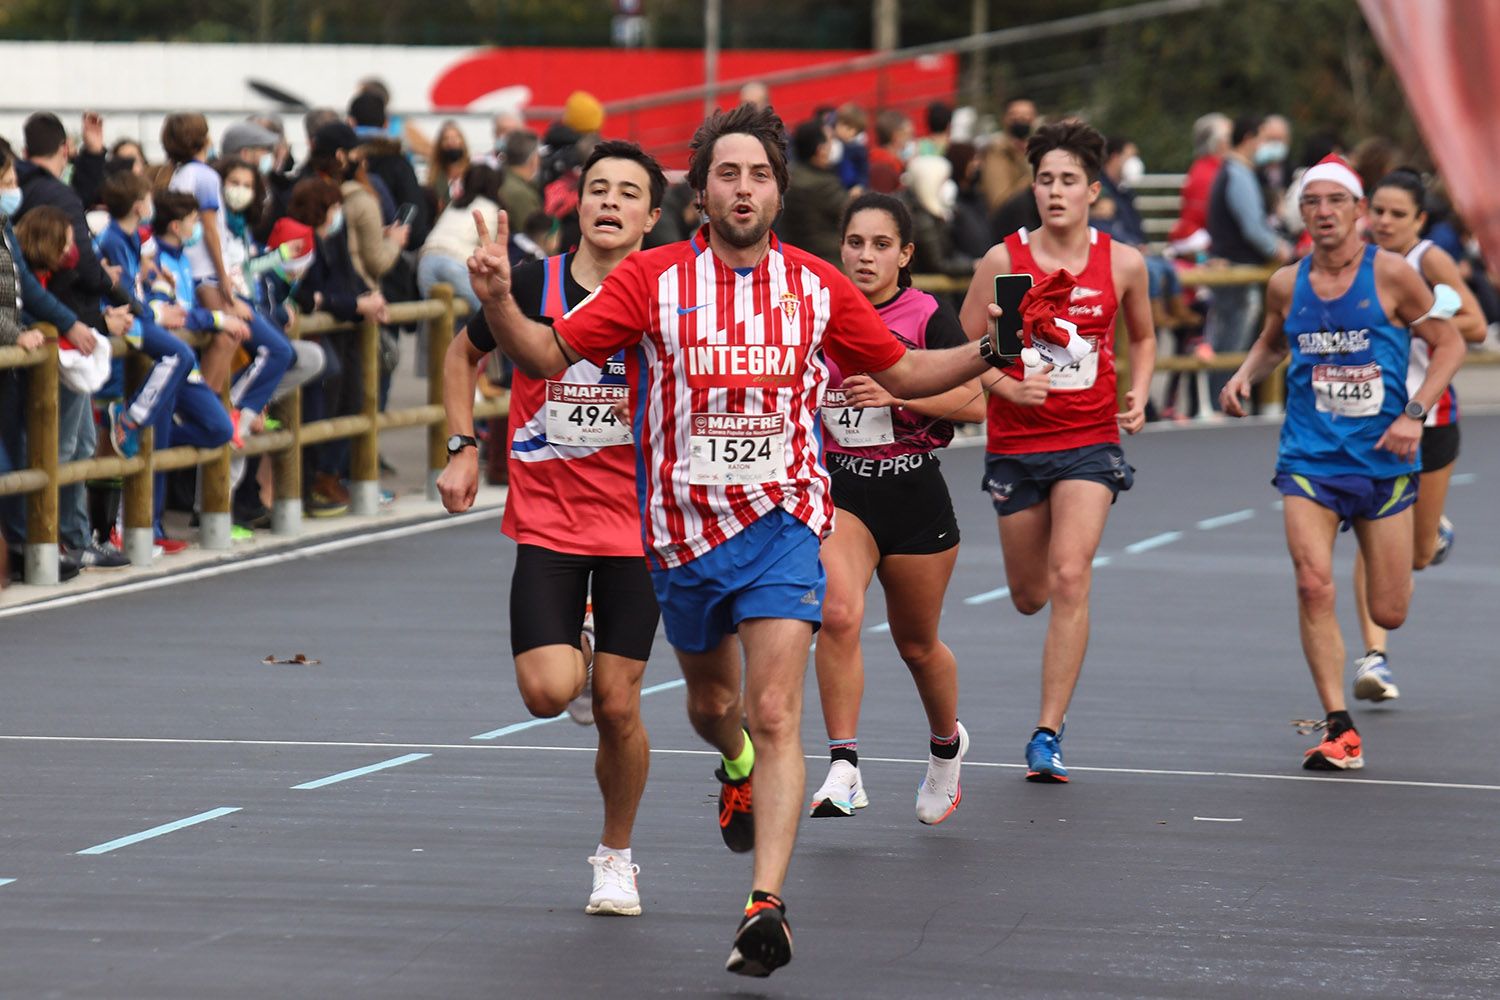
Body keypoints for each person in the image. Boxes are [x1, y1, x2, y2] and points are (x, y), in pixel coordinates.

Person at [467, 104, 1009, 978]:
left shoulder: (817, 287)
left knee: (776, 710)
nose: (744, 188)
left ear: (780, 192)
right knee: (711, 710)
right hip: (680, 538)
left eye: (759, 175)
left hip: (786, 522)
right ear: (701, 193)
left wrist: (992, 348)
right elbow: (543, 355)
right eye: (728, 174)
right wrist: (497, 299)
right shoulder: (649, 281)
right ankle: (735, 772)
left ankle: (766, 905)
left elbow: (907, 372)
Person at [436, 141, 667, 919]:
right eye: (597, 188)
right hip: (549, 521)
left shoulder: (671, 292)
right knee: (545, 694)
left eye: (628, 192)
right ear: (577, 203)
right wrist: (463, 448)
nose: (610, 201)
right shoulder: (533, 282)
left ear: (652, 216)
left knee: (619, 708)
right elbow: (460, 356)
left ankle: (617, 857)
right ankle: (583, 643)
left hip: (639, 526)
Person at [1219, 155, 1464, 770]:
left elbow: (1451, 342)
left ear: (1358, 212)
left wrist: (1414, 412)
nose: (1323, 212)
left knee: (1389, 611)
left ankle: (1428, 534)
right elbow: (1276, 338)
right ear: (1301, 212)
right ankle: (1340, 727)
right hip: (1309, 458)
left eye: (1335, 201)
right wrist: (1245, 375)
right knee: (1312, 582)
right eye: (1311, 202)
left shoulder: (1392, 277)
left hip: (1383, 460)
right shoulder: (1286, 282)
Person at [960, 119, 1156, 783]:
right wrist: (1006, 384)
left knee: (1071, 573)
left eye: (1069, 180)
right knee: (1028, 594)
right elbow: (962, 353)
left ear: (1093, 191)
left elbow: (1146, 337)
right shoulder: (1003, 261)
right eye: (1045, 179)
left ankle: (1047, 731)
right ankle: (1047, 711)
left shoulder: (1122, 262)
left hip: (1090, 442)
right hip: (1017, 445)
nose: (1055, 191)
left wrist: (1142, 391)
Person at [808, 192, 985, 824]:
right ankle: (844, 765)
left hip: (913, 493)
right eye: (855, 243)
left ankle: (946, 746)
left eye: (881, 245)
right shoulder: (815, 309)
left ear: (905, 255)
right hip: (842, 490)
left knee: (917, 644)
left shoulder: (926, 315)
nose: (865, 256)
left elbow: (979, 403)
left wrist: (899, 393)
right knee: (838, 613)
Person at [1346, 168, 1486, 702]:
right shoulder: (1354, 258)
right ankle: (1374, 658)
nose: (1382, 222)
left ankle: (1434, 533)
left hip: (1432, 417)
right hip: (1373, 422)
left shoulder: (1427, 259)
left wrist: (1418, 313)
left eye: (1396, 214)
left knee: (1417, 555)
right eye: (1376, 211)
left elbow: (1472, 323)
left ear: (1419, 220)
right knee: (1371, 529)